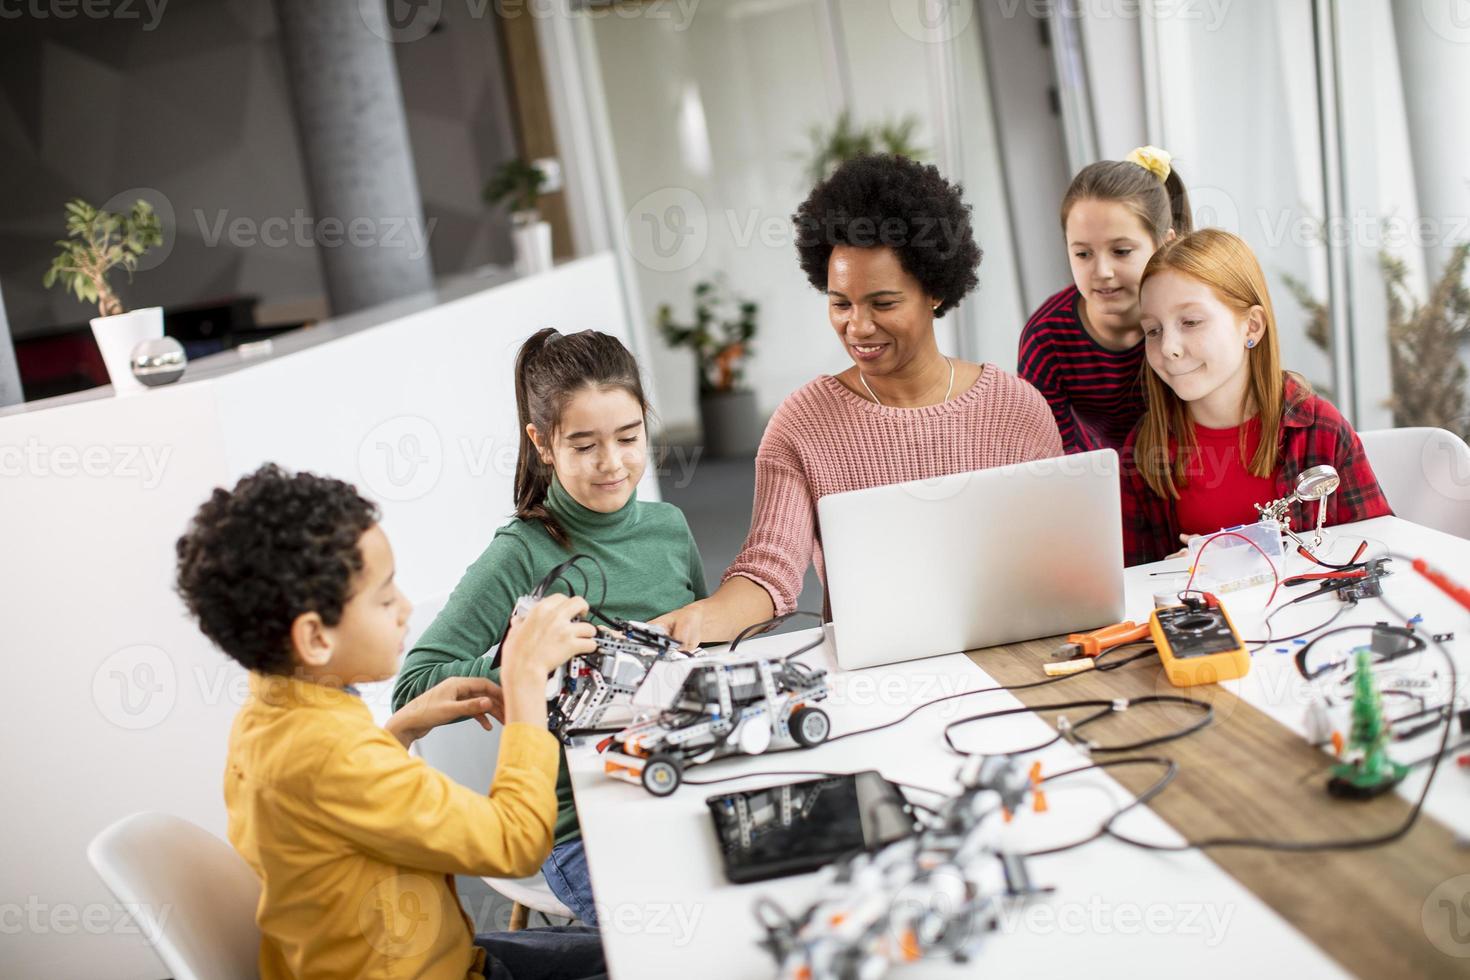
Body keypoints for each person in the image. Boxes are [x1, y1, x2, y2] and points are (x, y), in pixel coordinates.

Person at [174, 463, 606, 979]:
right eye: (384, 598)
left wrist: (401, 729)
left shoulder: (270, 718)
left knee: (632, 943)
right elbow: (517, 842)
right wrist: (525, 681)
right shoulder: (332, 754)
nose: (404, 608)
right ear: (315, 638)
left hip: (426, 954)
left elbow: (337, 799)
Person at [652, 154, 1063, 646]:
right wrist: (702, 617)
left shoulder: (1016, 409)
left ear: (933, 291)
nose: (858, 327)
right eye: (840, 303)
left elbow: (1055, 554)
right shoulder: (803, 422)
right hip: (876, 668)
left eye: (883, 303)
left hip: (1014, 648)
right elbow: (770, 568)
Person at [393, 328, 707, 926]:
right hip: (582, 824)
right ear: (543, 444)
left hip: (680, 778)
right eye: (585, 446)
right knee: (669, 934)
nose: (612, 463)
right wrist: (526, 663)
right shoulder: (522, 552)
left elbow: (702, 646)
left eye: (629, 437)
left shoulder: (669, 526)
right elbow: (414, 684)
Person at [1120, 228, 1391, 565]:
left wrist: (1235, 558)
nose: (1168, 348)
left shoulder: (1320, 430)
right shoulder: (1145, 448)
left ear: (1251, 327)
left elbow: (1378, 553)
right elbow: (1133, 586)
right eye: (1153, 330)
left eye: (1190, 321)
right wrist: (1171, 574)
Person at [1018, 146, 1192, 454]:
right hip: (1103, 481)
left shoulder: (1196, 315)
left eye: (1121, 251)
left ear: (1165, 244)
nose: (1102, 272)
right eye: (1083, 254)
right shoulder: (1047, 337)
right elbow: (1050, 457)